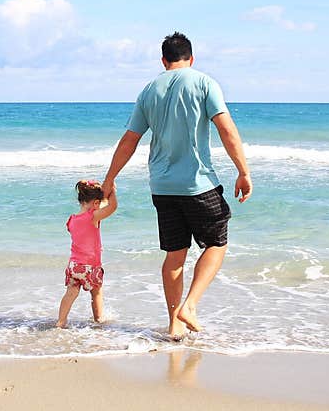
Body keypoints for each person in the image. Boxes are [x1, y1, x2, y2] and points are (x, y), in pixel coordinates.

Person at [101, 31, 251, 339]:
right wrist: (243, 171)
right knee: (217, 244)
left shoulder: (148, 90)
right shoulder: (204, 83)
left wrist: (110, 178)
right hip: (197, 184)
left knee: (174, 255)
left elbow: (131, 139)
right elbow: (226, 128)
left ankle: (174, 324)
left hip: (162, 186)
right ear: (191, 58)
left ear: (163, 60)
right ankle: (190, 306)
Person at [57, 179, 118, 328]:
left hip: (74, 266)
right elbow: (113, 207)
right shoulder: (93, 217)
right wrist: (112, 191)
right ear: (96, 203)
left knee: (71, 293)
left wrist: (100, 198)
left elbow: (97, 206)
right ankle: (99, 319)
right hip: (91, 266)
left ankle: (61, 321)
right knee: (96, 292)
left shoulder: (71, 220)